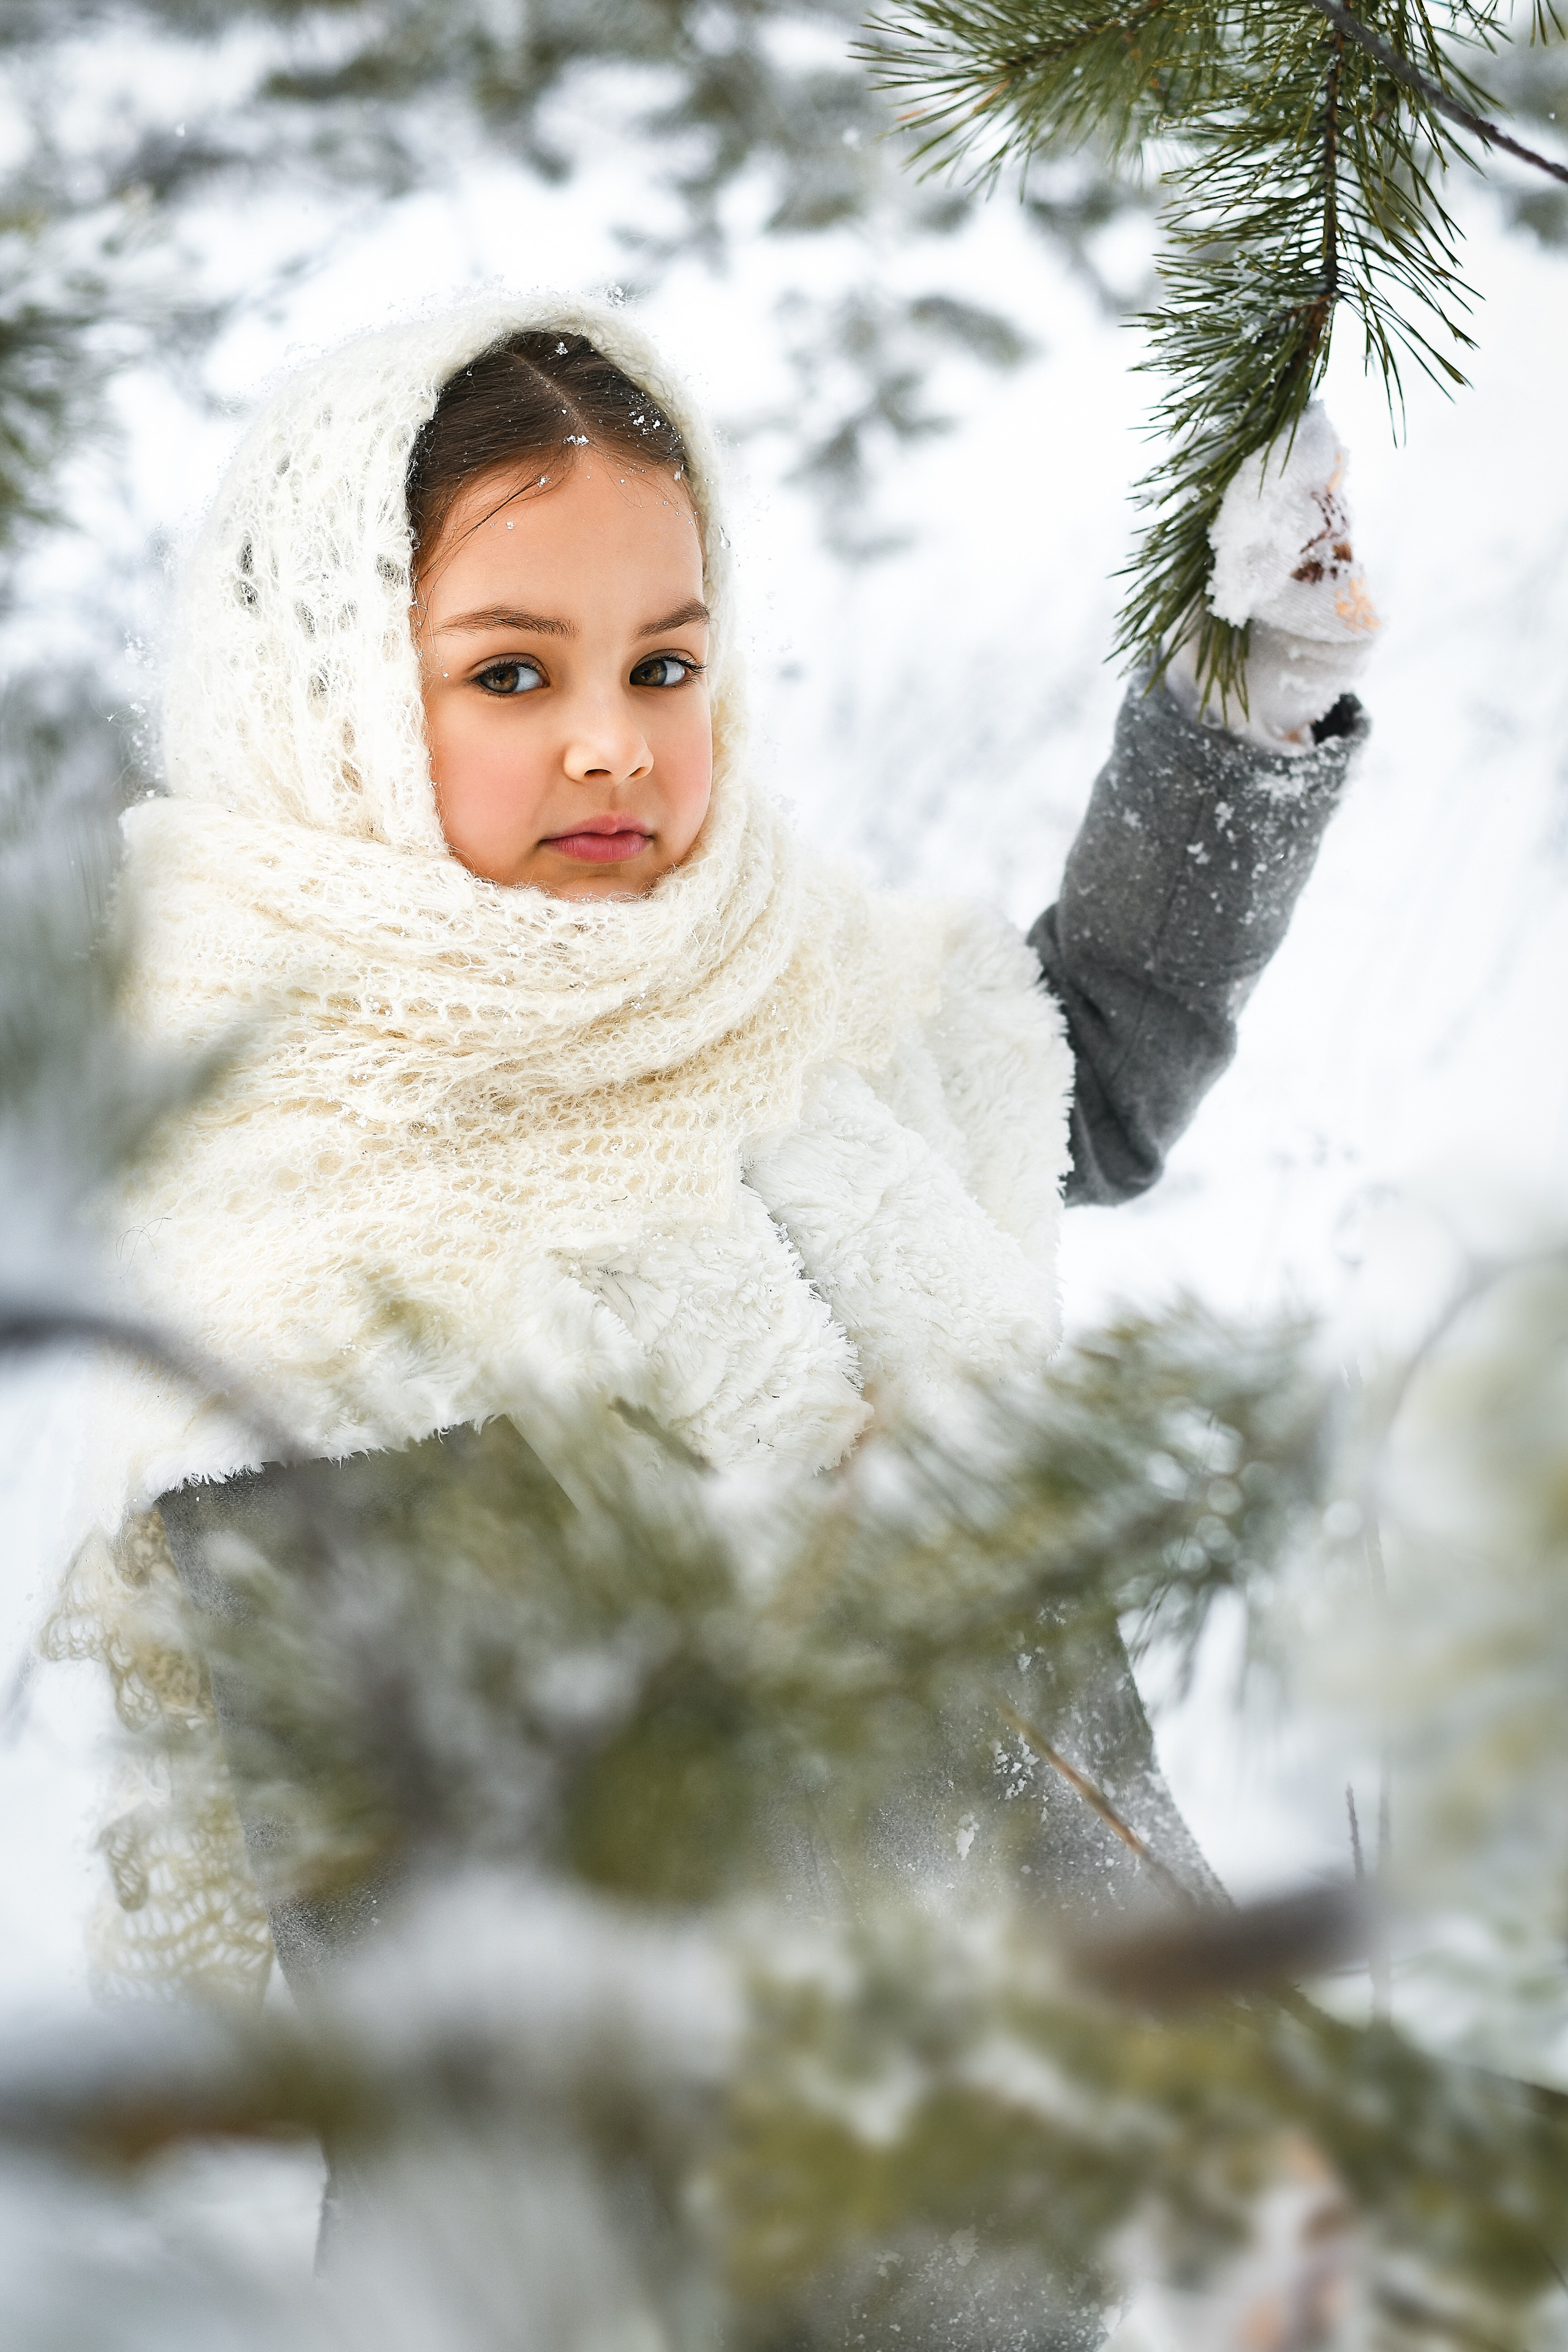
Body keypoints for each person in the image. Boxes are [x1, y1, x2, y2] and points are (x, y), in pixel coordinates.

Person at [56, 299, 1374, 2013]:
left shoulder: (750, 981)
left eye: (663, 666)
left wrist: (1239, 711)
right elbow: (486, 2021)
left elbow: (1075, 1073)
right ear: (331, 701)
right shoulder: (315, 1268)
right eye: (512, 673)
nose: (613, 740)